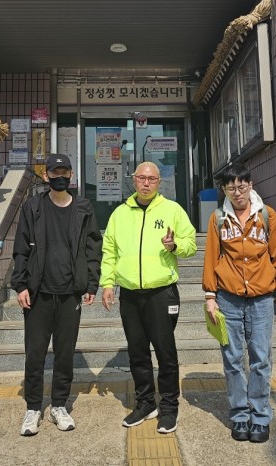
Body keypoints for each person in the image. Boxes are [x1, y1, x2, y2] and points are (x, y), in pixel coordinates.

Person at [101, 161, 197, 434]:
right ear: (133, 180)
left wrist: (175, 245)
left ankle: (169, 407)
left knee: (166, 352)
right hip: (130, 293)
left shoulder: (172, 210)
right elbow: (109, 251)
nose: (146, 183)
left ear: (158, 182)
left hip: (161, 293)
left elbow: (190, 244)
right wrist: (107, 283)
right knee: (137, 351)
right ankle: (145, 403)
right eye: (141, 178)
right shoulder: (120, 213)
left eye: (151, 179)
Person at [202, 163, 276, 443]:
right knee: (232, 359)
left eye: (242, 186)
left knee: (261, 358)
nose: (237, 192)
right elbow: (212, 257)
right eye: (231, 188)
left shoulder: (267, 215)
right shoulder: (218, 218)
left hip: (262, 299)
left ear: (250, 185)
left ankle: (260, 416)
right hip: (227, 298)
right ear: (224, 189)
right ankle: (240, 415)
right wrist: (210, 296)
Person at [11, 153, 102, 437]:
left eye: (64, 172)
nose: (60, 177)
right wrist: (20, 285)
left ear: (71, 175)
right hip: (38, 293)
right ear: (46, 176)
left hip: (69, 294)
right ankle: (33, 407)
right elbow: (21, 248)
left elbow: (93, 248)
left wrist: (91, 284)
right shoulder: (33, 207)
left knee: (64, 353)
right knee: (35, 354)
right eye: (55, 173)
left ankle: (59, 405)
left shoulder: (83, 208)